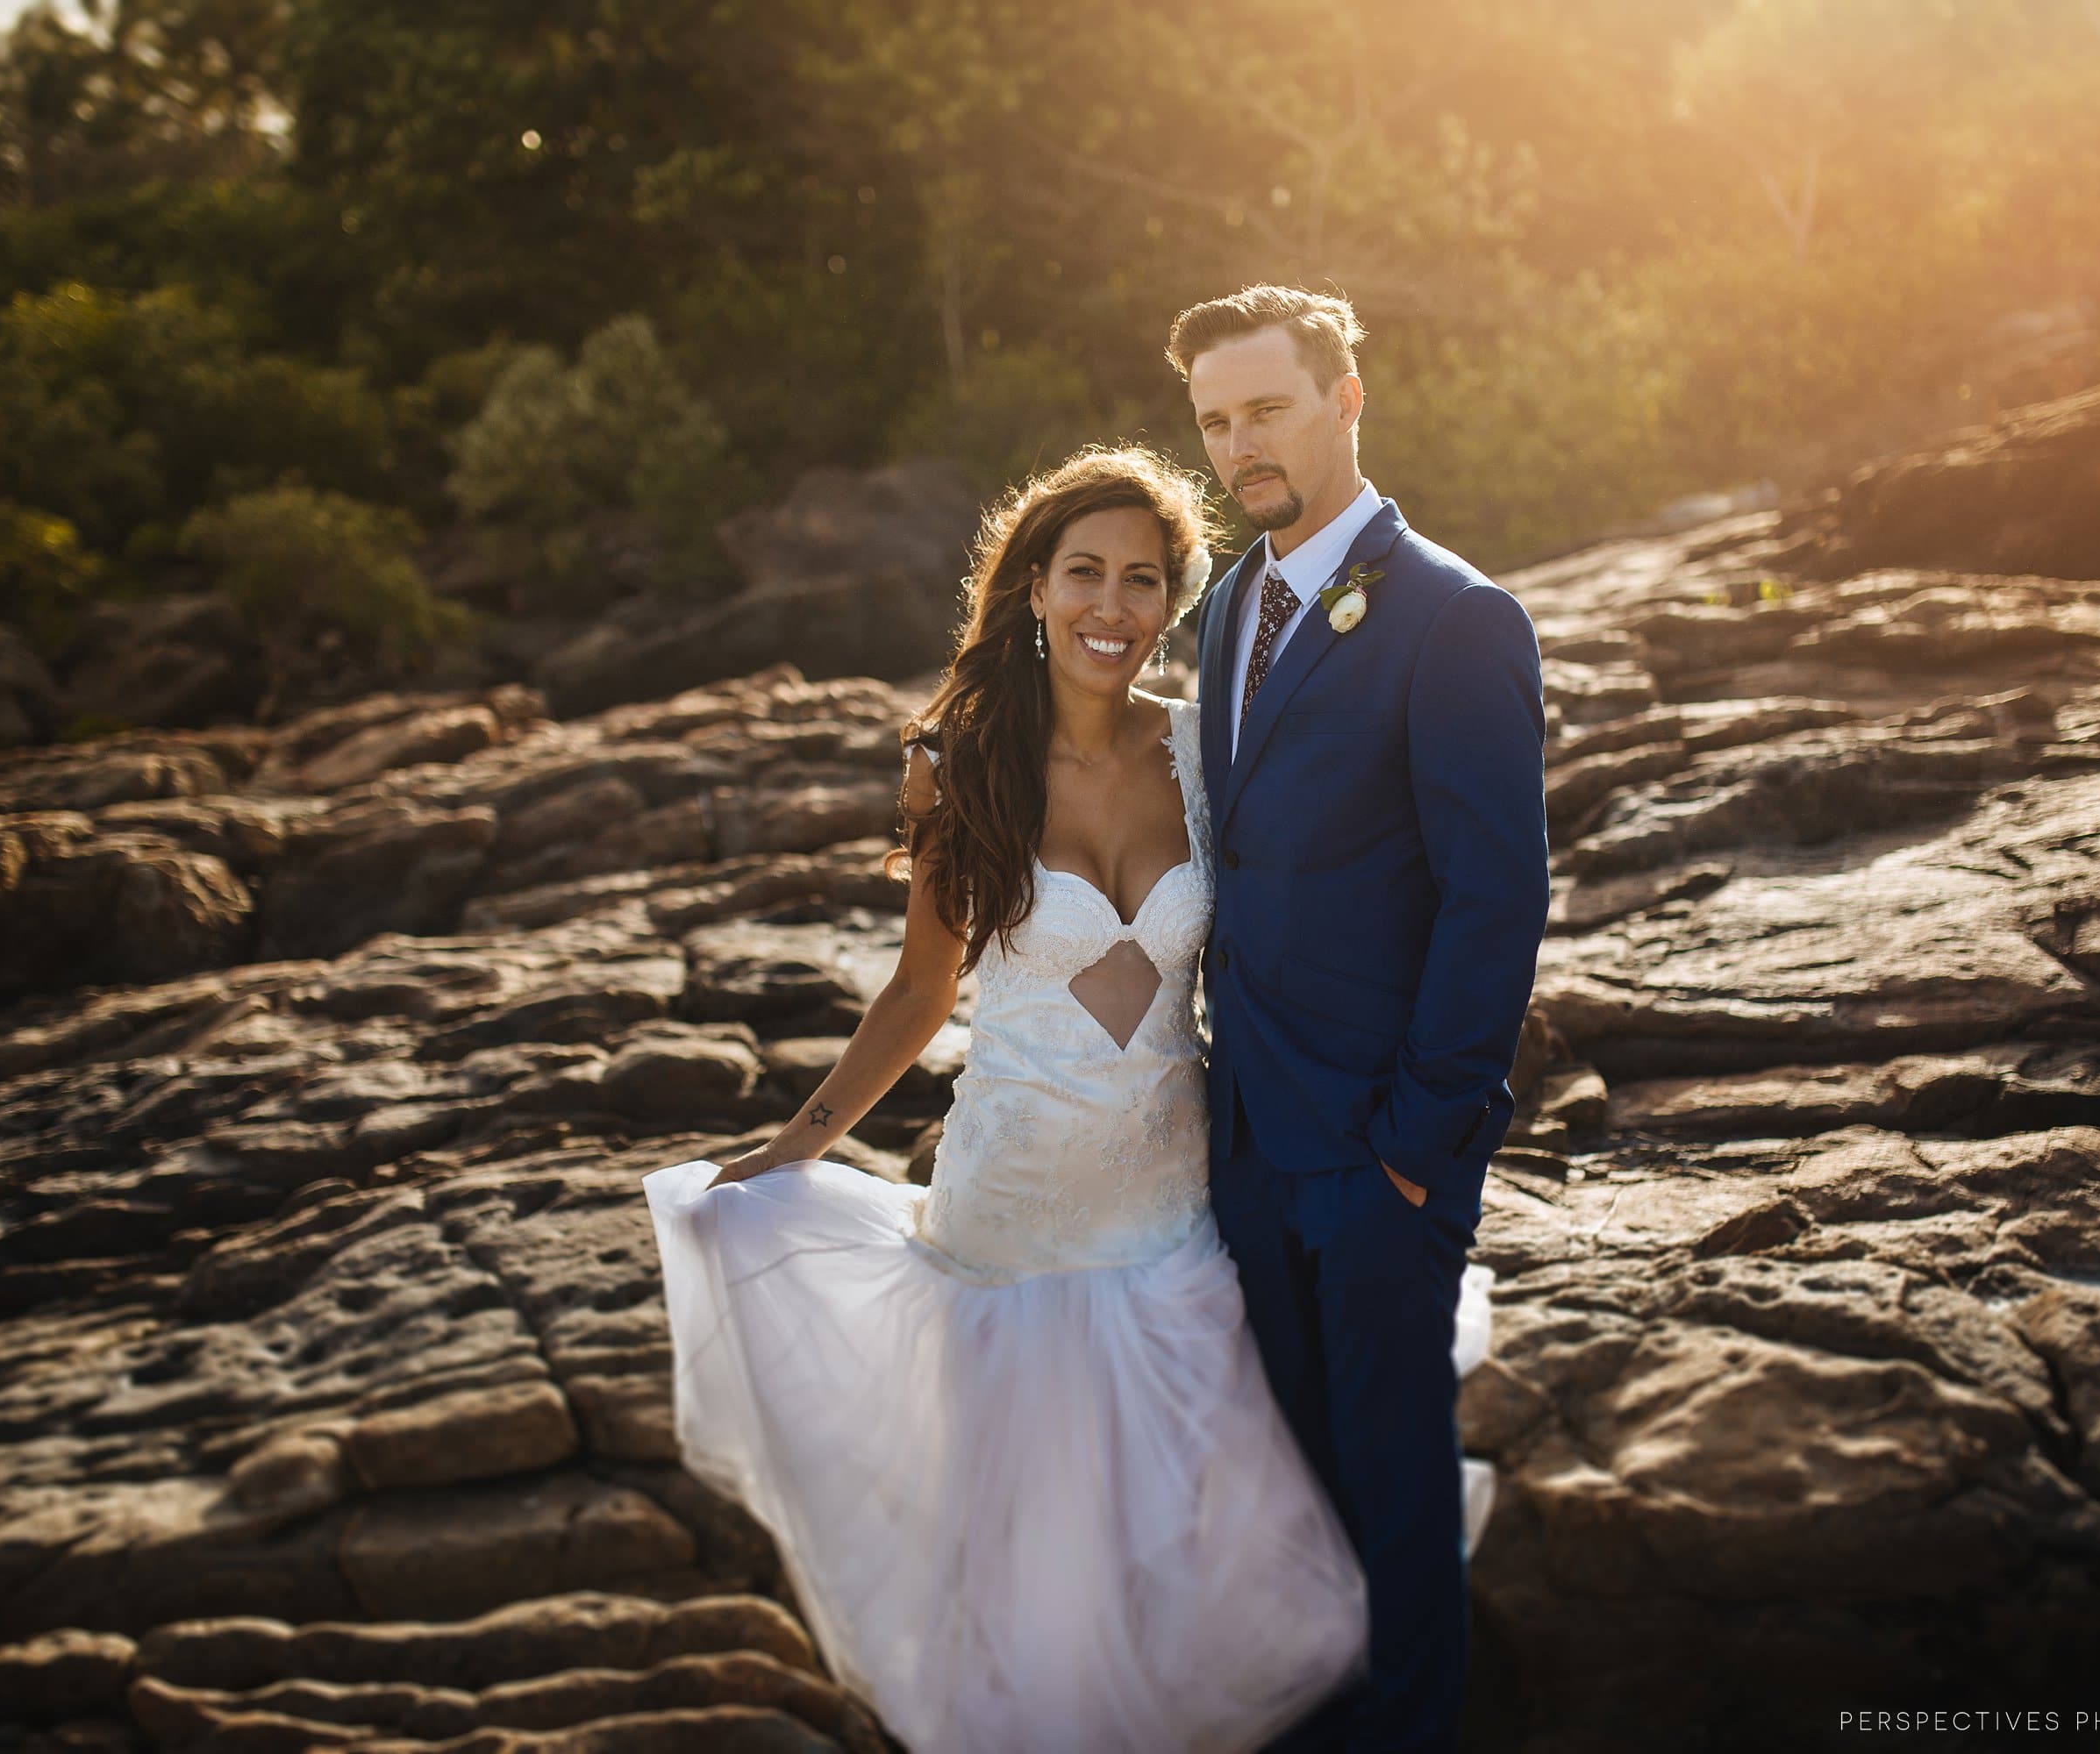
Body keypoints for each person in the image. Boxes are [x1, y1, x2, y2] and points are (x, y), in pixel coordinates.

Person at [640, 442, 1495, 1752]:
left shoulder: (1213, 755)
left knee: (1190, 1522)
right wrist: (791, 1146)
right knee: (1033, 1554)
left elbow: (1303, 934)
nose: (1113, 606)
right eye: (1085, 573)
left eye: (1143, 581)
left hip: (1172, 1194)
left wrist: (1384, 1101)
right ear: (1033, 587)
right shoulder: (959, 765)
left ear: (1174, 599)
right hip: (1011, 1216)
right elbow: (921, 994)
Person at [1172, 284, 1550, 1754]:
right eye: (1213, 420)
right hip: (1251, 1134)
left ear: (1346, 398)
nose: (1238, 444)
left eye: (1264, 408)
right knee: (1308, 1472)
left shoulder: (1456, 618)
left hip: (1384, 1146)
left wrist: (1420, 1137)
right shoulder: (1224, 610)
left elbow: (1494, 899)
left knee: (1396, 1489)